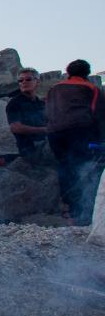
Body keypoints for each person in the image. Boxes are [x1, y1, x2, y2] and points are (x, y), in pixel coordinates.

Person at [45, 59, 104, 225]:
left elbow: (47, 112)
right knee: (85, 168)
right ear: (87, 74)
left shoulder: (53, 89)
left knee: (65, 167)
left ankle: (69, 209)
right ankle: (85, 212)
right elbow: (99, 115)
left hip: (54, 134)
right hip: (80, 132)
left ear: (68, 72)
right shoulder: (91, 88)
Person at [6, 67, 48, 158]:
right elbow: (15, 128)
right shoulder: (15, 103)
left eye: (28, 79)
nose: (24, 82)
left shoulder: (41, 103)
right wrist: (44, 130)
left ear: (37, 82)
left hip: (46, 141)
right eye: (20, 80)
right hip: (30, 148)